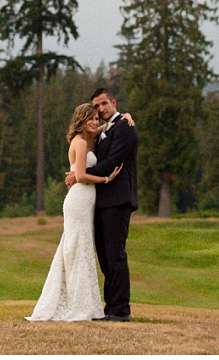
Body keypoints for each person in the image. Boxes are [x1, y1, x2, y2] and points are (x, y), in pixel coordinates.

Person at [26, 103, 122, 321]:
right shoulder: (79, 143)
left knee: (80, 249)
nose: (95, 122)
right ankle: (78, 305)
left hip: (86, 201)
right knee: (77, 250)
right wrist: (106, 179)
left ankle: (83, 303)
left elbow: (109, 124)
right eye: (90, 118)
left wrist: (125, 115)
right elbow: (79, 176)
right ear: (81, 119)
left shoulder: (88, 138)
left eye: (96, 119)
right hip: (79, 200)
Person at [65, 87, 139, 322]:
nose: (101, 109)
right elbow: (88, 134)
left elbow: (112, 162)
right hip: (100, 201)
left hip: (118, 199)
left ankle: (121, 310)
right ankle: (110, 307)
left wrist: (80, 174)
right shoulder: (104, 130)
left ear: (113, 102)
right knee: (105, 256)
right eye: (96, 106)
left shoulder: (125, 128)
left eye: (104, 104)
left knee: (115, 254)